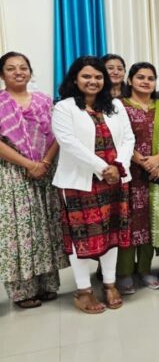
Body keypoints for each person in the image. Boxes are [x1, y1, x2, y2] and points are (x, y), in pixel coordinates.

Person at [52, 56, 135, 314]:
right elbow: (68, 143)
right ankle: (83, 290)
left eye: (98, 76)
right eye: (86, 76)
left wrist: (118, 166)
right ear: (75, 79)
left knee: (112, 232)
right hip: (80, 182)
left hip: (115, 179)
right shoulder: (64, 107)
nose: (93, 81)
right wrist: (103, 168)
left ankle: (109, 284)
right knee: (81, 238)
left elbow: (128, 138)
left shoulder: (116, 105)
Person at [0, 51, 68, 309]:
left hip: (45, 171)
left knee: (46, 225)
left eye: (23, 67)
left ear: (30, 72)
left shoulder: (44, 100)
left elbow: (58, 134)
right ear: (2, 74)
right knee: (19, 229)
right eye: (11, 68)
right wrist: (29, 164)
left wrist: (45, 163)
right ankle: (23, 290)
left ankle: (48, 284)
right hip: (14, 173)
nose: (18, 72)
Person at [117, 62, 159, 294]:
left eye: (150, 78)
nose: (146, 82)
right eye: (140, 77)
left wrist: (157, 159)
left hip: (157, 174)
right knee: (128, 222)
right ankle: (124, 272)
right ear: (130, 80)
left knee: (150, 220)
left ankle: (145, 270)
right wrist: (143, 162)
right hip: (128, 173)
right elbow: (116, 138)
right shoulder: (119, 106)